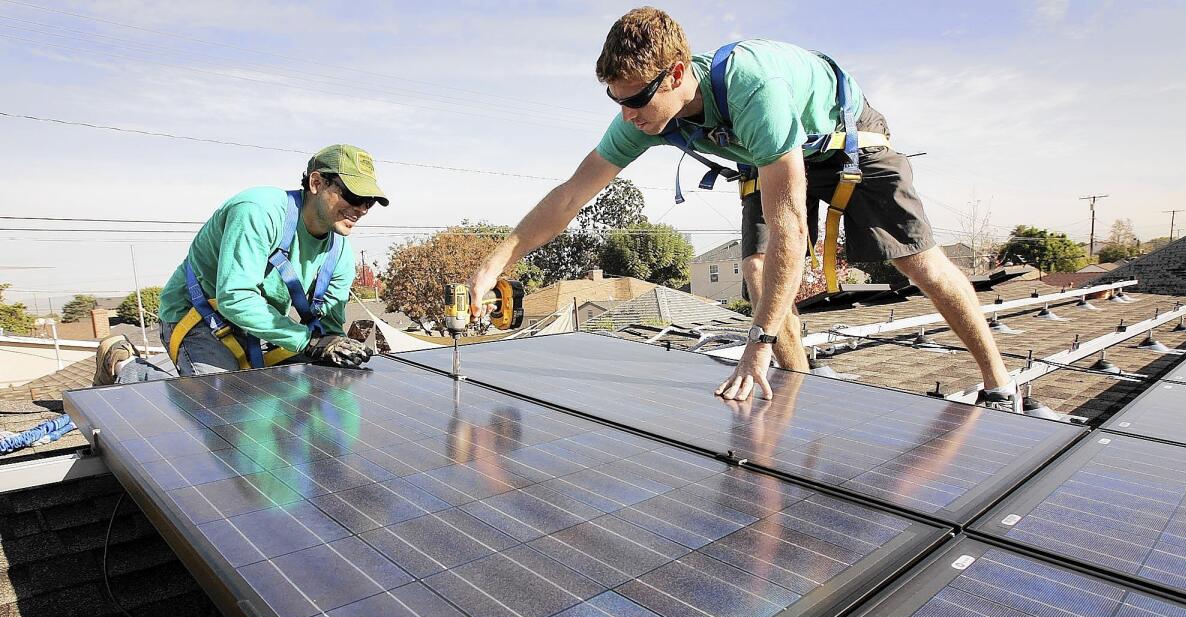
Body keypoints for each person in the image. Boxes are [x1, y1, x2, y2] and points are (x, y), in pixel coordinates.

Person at [469, 7, 1021, 412]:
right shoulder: (644, 116)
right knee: (756, 273)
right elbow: (570, 195)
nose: (628, 114)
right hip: (769, 153)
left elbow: (792, 228)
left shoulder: (753, 90)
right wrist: (496, 263)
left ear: (678, 72)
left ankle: (1000, 385)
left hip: (842, 138)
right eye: (617, 101)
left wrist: (754, 342)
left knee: (917, 264)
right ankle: (793, 386)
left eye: (637, 99)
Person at [94, 144, 386, 385]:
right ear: (316, 182)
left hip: (259, 320)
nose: (361, 208)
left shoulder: (339, 251)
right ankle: (123, 362)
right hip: (198, 315)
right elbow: (235, 298)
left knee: (325, 378)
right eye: (353, 195)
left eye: (369, 201)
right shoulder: (258, 211)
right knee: (221, 401)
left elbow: (328, 329)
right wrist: (306, 343)